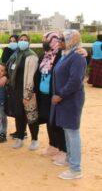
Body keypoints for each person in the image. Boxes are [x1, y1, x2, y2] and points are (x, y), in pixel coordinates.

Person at [51, 30, 86, 180]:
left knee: (72, 132)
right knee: (67, 131)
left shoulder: (77, 57)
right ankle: (69, 159)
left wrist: (61, 94)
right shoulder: (67, 54)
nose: (59, 42)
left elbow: (75, 81)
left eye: (62, 39)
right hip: (64, 99)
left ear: (71, 40)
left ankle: (75, 168)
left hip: (70, 99)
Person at [34, 32, 66, 162]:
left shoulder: (61, 56)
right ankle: (53, 145)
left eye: (46, 40)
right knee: (48, 120)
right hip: (44, 94)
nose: (44, 43)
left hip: (55, 95)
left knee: (57, 123)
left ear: (53, 41)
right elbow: (38, 74)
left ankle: (62, 149)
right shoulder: (44, 56)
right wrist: (36, 90)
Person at [7, 34, 39, 150]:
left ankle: (35, 139)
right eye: (21, 40)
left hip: (27, 90)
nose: (23, 42)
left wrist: (28, 94)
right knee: (18, 114)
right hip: (15, 90)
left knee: (31, 116)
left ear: (29, 42)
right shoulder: (15, 55)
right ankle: (20, 137)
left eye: (25, 40)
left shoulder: (31, 56)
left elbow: (31, 77)